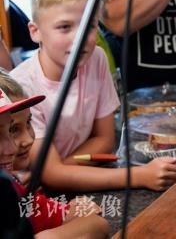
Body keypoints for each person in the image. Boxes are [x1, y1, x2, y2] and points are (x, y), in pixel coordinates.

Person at [11, 0, 176, 192]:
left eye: (89, 27)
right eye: (64, 27)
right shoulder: (23, 86)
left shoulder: (96, 58)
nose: (79, 39)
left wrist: (59, 168)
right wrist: (138, 176)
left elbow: (104, 139)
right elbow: (53, 176)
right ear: (35, 32)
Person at [0, 71, 109, 238]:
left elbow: (95, 224)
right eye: (14, 129)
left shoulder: (11, 188)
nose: (12, 148)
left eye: (8, 131)